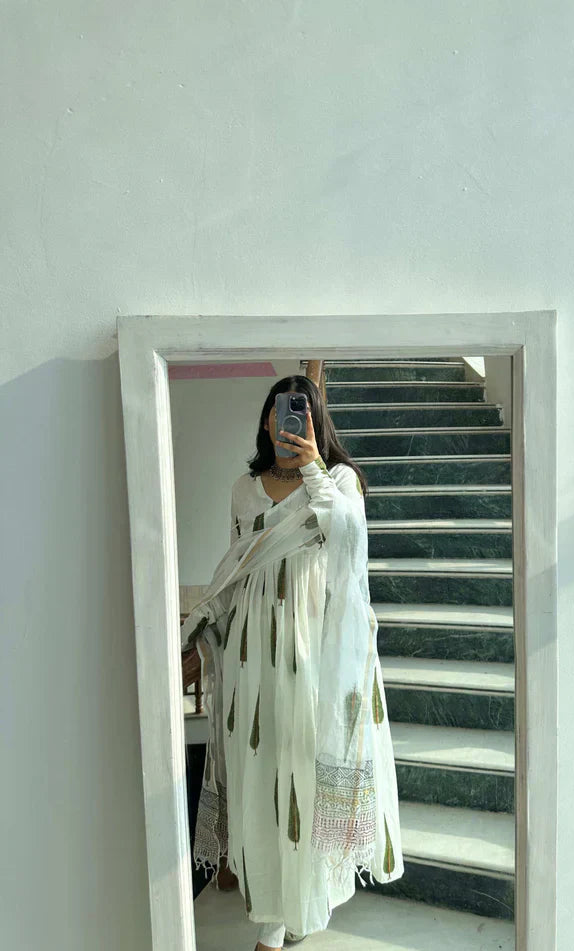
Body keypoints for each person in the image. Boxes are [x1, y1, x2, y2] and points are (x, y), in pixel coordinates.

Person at [180, 375, 404, 950]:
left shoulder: (340, 480)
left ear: (315, 420)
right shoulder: (244, 488)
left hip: (314, 650)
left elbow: (350, 546)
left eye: (300, 411)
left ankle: (289, 916)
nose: (287, 421)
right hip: (253, 656)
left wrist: (313, 470)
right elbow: (235, 568)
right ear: (265, 419)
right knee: (261, 780)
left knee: (304, 771)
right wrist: (198, 631)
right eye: (278, 411)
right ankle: (277, 913)